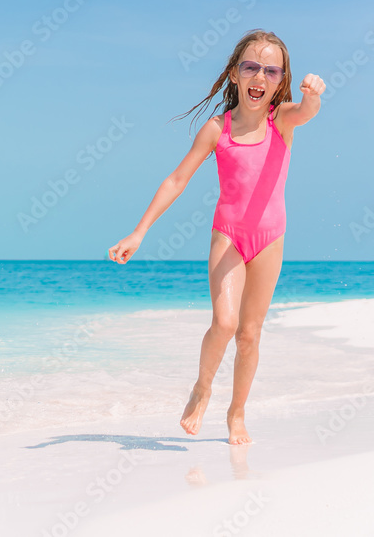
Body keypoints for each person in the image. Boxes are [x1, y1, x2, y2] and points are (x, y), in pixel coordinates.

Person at [108, 29, 325, 444]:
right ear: (234, 74)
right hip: (228, 235)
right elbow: (177, 179)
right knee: (224, 324)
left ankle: (237, 413)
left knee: (249, 334)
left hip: (270, 239)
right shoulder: (217, 129)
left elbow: (308, 111)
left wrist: (313, 93)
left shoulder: (282, 120)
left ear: (280, 80)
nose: (259, 76)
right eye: (250, 66)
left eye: (271, 70)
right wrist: (139, 232)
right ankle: (203, 386)